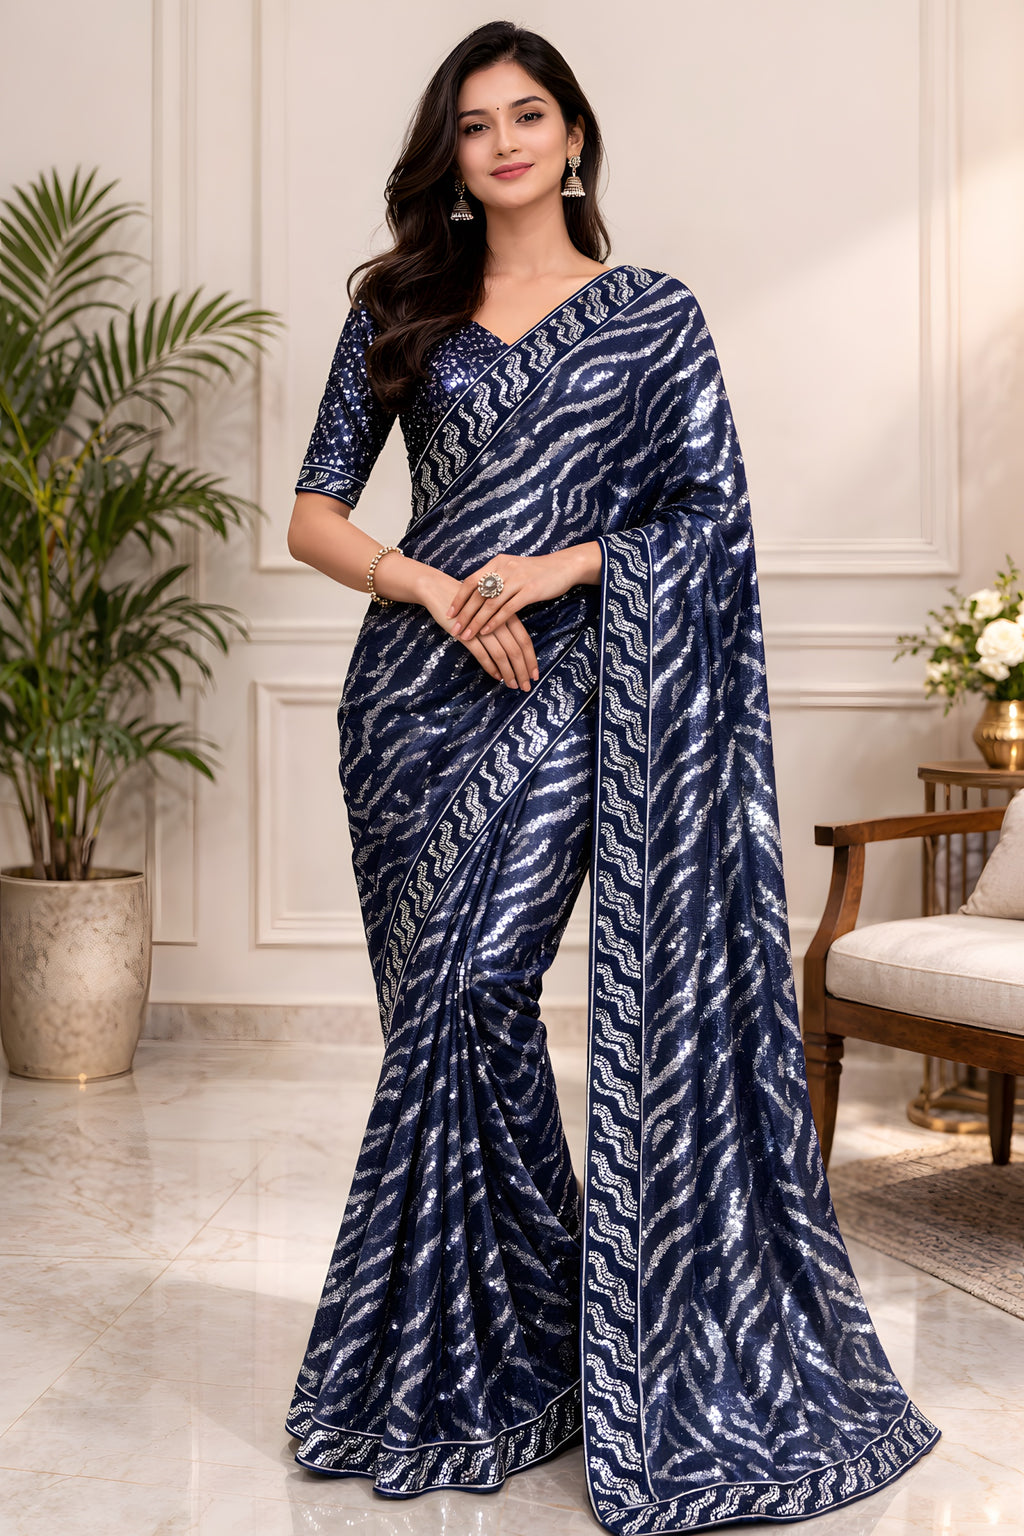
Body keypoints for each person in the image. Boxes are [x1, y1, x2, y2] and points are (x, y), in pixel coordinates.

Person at [284, 19, 939, 1532]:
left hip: (576, 691)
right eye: (473, 123)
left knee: (475, 993)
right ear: (446, 155)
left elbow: (709, 520)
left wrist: (561, 563)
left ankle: (505, 1362)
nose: (503, 141)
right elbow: (314, 517)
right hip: (409, 709)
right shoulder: (402, 306)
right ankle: (520, 1364)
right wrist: (434, 590)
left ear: (574, 135)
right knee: (449, 1035)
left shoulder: (651, 319)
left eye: (529, 114)